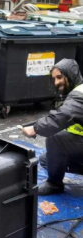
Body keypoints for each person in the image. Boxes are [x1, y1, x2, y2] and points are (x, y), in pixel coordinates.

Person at [21, 59, 83, 195]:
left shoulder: (80, 93)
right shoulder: (76, 92)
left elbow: (63, 116)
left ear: (71, 74)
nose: (56, 82)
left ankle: (54, 184)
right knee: (46, 160)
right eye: (54, 79)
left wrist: (35, 128)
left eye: (60, 77)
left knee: (55, 138)